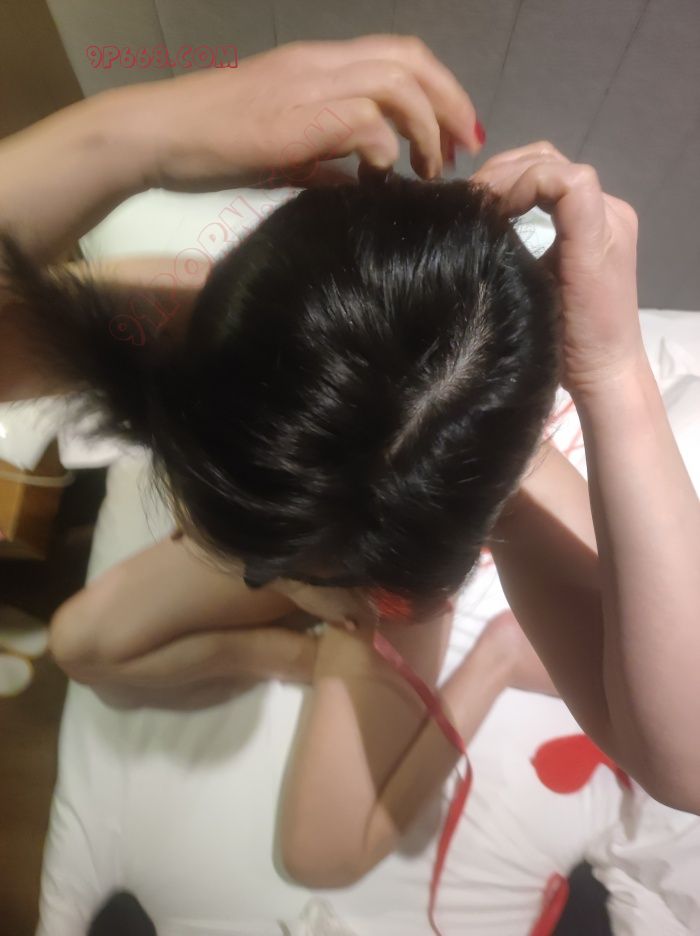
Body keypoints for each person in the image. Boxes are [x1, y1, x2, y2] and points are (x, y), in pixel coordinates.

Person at [1, 36, 698, 876]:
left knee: (316, 857)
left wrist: (617, 375)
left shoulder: (502, 473)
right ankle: (295, 631)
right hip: (289, 537)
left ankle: (451, 641)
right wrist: (132, 136)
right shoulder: (217, 340)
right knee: (81, 645)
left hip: (385, 592)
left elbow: (688, 758)